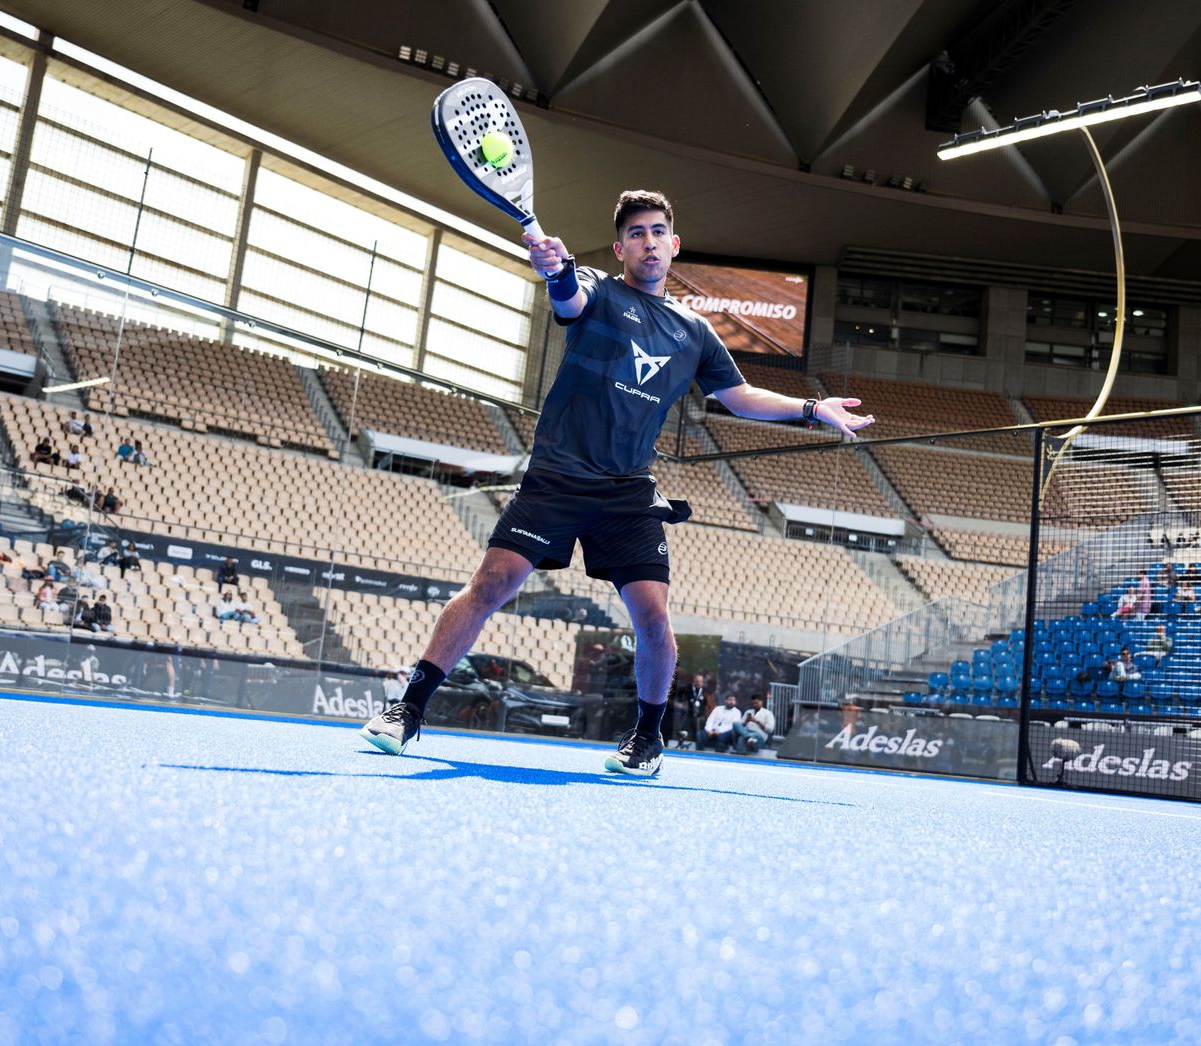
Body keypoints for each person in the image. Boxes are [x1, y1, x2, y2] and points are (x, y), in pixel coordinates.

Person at [359, 190, 874, 774]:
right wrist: (554, 270)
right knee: (489, 586)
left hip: (627, 490)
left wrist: (812, 408)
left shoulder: (695, 331)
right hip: (557, 476)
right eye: (637, 233)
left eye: (658, 232)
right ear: (620, 246)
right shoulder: (600, 292)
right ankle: (408, 710)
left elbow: (740, 398)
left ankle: (647, 739)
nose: (648, 241)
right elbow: (569, 296)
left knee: (653, 616)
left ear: (674, 244)